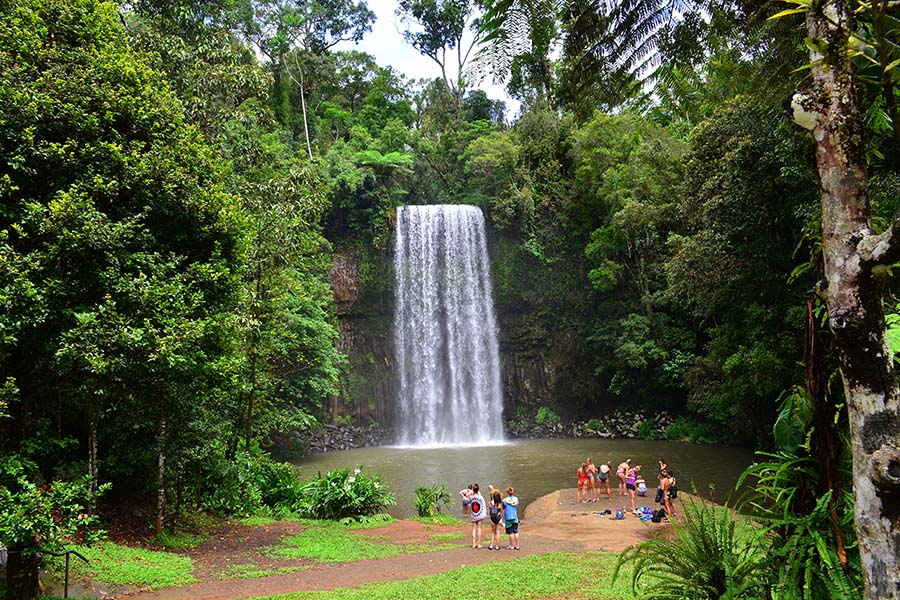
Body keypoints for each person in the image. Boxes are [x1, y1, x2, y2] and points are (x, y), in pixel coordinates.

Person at [462, 483, 486, 548]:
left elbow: (466, 496)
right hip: (479, 514)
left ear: (473, 490)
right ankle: (478, 544)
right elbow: (483, 506)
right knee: (479, 529)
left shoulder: (471, 497)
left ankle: (473, 544)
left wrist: (471, 492)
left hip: (474, 515)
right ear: (478, 490)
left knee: (474, 529)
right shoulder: (480, 497)